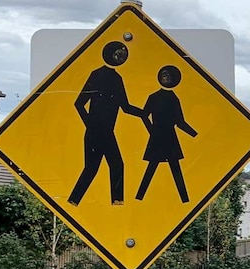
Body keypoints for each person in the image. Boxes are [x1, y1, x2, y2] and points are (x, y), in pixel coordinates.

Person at [68, 41, 143, 207]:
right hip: (97, 132)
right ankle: (75, 201)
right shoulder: (97, 75)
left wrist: (143, 113)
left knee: (111, 166)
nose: (120, 57)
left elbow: (125, 107)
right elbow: (79, 103)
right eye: (117, 54)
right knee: (96, 168)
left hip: (106, 132)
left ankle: (114, 203)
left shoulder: (117, 78)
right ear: (109, 54)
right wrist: (91, 125)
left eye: (122, 55)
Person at [135, 65, 197, 203]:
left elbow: (180, 122)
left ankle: (184, 199)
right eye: (163, 76)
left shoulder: (174, 99)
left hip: (169, 137)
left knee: (175, 168)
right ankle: (139, 197)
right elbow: (144, 115)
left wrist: (195, 135)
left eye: (168, 76)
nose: (166, 78)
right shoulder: (154, 97)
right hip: (159, 137)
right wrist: (152, 131)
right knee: (152, 168)